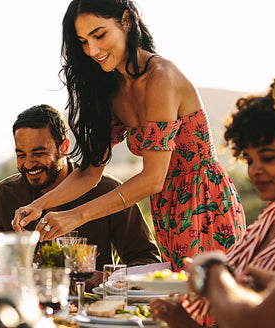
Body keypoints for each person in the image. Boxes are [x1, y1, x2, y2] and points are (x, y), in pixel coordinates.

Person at [13, 0, 245, 270]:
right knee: (181, 302)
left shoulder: (161, 78)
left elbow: (152, 179)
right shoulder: (112, 88)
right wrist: (39, 205)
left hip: (205, 201)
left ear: (126, 21)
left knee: (210, 303)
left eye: (99, 35)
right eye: (83, 42)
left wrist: (75, 216)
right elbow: (90, 172)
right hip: (167, 207)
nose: (92, 50)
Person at [149, 86, 275, 327]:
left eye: (268, 157)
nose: (255, 170)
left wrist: (212, 270)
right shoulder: (270, 217)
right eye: (249, 160)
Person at [0, 104, 161, 271]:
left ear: (64, 147)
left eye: (39, 153)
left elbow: (147, 260)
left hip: (94, 309)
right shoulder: (2, 196)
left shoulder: (108, 191)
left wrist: (109, 277)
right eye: (21, 155)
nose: (28, 164)